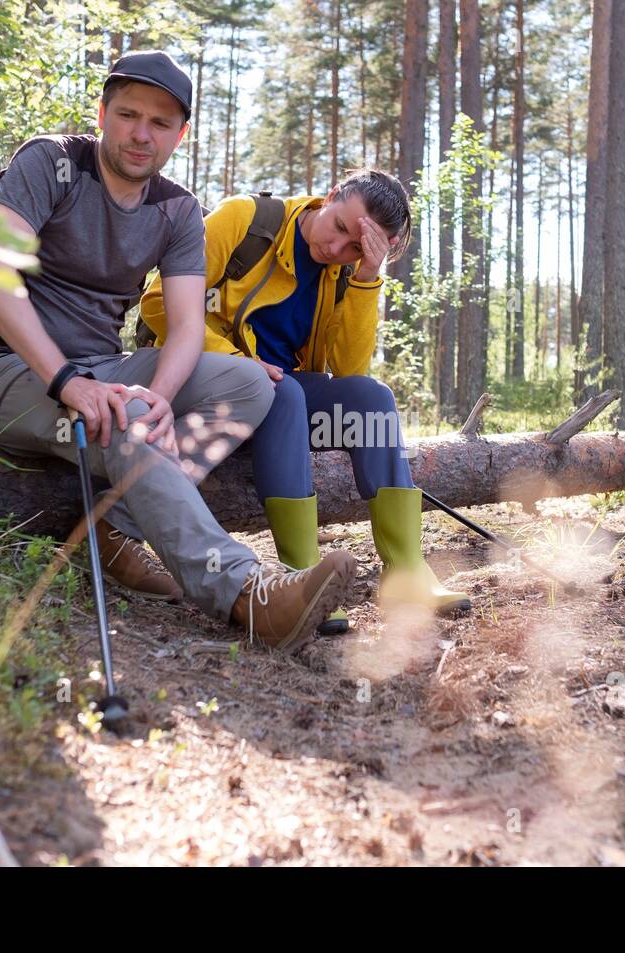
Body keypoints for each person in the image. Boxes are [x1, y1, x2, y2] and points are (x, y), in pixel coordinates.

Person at [0, 51, 355, 653]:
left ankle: (113, 530)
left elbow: (189, 327)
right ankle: (244, 593)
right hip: (7, 373)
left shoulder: (176, 208)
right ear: (102, 113)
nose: (141, 134)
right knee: (126, 416)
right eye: (127, 115)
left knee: (253, 385)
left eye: (160, 124)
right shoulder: (51, 164)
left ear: (180, 133)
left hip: (105, 368)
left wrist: (161, 398)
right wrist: (67, 382)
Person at [140, 169, 469, 634]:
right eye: (338, 227)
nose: (336, 250)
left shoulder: (342, 273)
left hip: (282, 402)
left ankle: (408, 570)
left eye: (356, 247)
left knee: (371, 399)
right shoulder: (244, 220)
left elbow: (349, 371)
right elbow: (156, 304)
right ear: (329, 196)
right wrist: (239, 363)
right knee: (285, 390)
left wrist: (368, 276)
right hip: (203, 383)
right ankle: (302, 577)